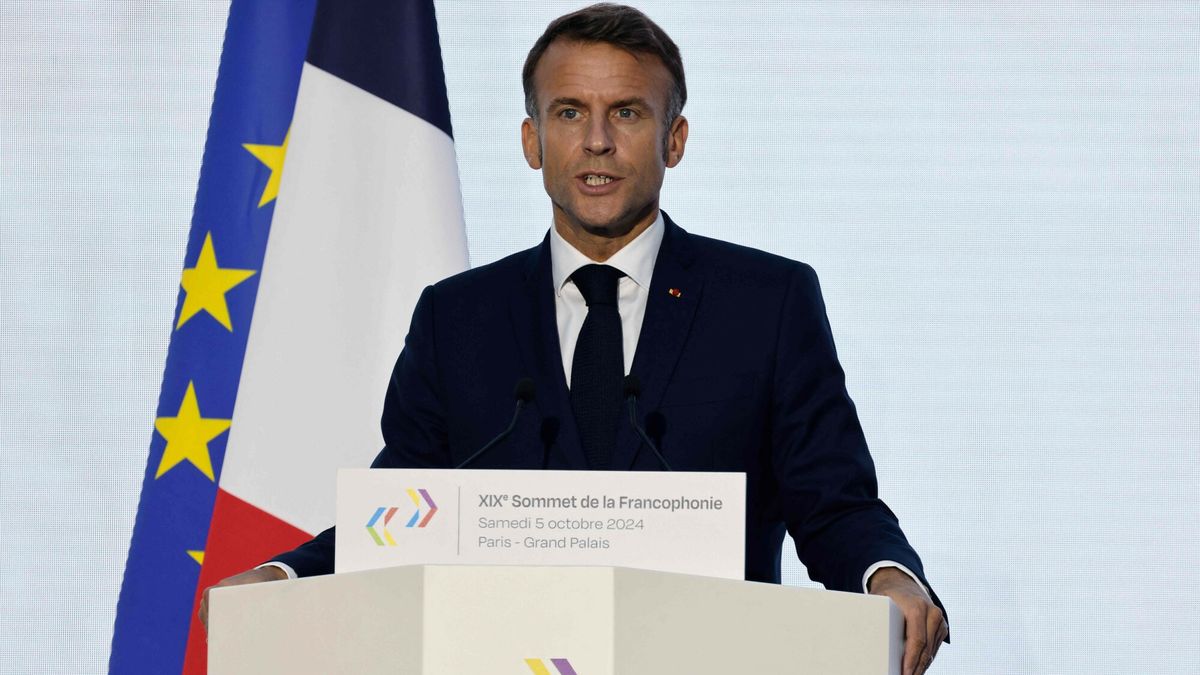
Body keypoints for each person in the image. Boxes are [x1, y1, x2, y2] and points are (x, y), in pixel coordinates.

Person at [203, 4, 948, 673]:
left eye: (625, 113)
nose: (595, 141)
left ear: (675, 138)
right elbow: (401, 514)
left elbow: (834, 501)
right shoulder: (458, 317)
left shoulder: (766, 303)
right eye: (568, 112)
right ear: (532, 140)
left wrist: (889, 575)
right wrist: (287, 578)